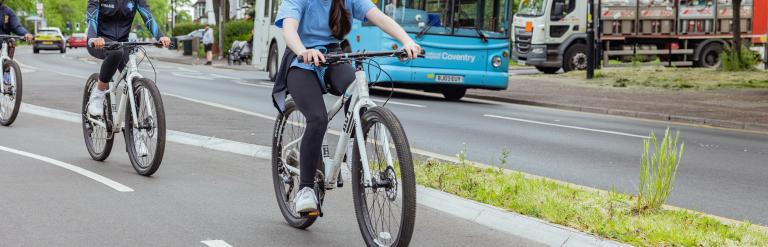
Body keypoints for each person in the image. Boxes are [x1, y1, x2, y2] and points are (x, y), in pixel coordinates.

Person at [273, 0, 421, 214]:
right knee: (318, 118)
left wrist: (406, 41)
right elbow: (289, 30)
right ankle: (305, 189)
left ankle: (354, 150)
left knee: (356, 90)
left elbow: (380, 18)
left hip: (333, 56)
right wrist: (303, 50)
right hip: (301, 61)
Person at [85, 0, 170, 156]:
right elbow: (91, 19)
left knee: (134, 83)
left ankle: (136, 136)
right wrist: (94, 38)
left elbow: (147, 16)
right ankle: (98, 94)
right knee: (115, 52)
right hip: (100, 42)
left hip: (122, 43)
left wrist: (160, 36)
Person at [0, 0, 34, 89]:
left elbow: (16, 26)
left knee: (12, 42)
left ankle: (6, 69)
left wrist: (25, 34)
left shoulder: (8, 12)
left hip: (3, 42)